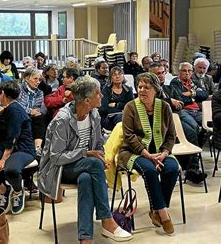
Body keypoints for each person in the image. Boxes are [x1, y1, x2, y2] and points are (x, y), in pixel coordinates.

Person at [39, 75, 133, 243]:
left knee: (86, 179)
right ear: (87, 100)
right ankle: (107, 220)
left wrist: (100, 155)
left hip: (84, 167)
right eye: (98, 93)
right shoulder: (63, 119)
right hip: (59, 169)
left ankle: (85, 238)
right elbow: (55, 157)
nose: (102, 95)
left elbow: (98, 144)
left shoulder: (94, 114)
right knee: (94, 164)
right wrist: (86, 153)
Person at [119, 72, 178, 235]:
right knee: (150, 170)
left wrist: (165, 153)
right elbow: (129, 137)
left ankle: (156, 210)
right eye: (140, 86)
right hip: (134, 152)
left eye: (147, 87)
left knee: (172, 169)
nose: (142, 90)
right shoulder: (130, 107)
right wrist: (148, 155)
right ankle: (163, 213)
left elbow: (172, 135)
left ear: (156, 90)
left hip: (160, 152)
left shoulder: (164, 106)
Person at [0, 81, 36, 215]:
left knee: (10, 169)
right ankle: (4, 190)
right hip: (5, 147)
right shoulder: (5, 109)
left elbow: (13, 137)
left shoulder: (15, 109)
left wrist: (3, 159)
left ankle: (18, 191)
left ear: (3, 93)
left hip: (23, 149)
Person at [170, 62, 208, 183]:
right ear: (179, 72)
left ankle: (191, 161)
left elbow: (205, 94)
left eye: (189, 71)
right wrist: (195, 96)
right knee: (194, 129)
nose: (187, 73)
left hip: (198, 111)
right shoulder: (175, 83)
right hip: (184, 111)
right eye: (184, 71)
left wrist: (191, 94)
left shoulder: (194, 83)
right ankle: (193, 167)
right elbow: (180, 99)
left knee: (209, 127)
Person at [17, 67, 48, 150]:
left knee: (41, 117)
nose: (38, 82)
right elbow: (16, 105)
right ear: (27, 78)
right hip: (20, 115)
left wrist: (37, 111)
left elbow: (44, 108)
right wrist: (30, 111)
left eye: (39, 80)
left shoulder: (39, 92)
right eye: (35, 79)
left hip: (34, 117)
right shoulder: (19, 89)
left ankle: (38, 148)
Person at [99, 66, 134, 131]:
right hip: (109, 118)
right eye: (114, 75)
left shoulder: (128, 90)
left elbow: (131, 106)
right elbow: (104, 108)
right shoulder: (106, 90)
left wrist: (117, 105)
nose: (117, 76)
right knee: (120, 118)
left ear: (123, 76)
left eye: (120, 74)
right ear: (111, 78)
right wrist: (121, 111)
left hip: (126, 116)